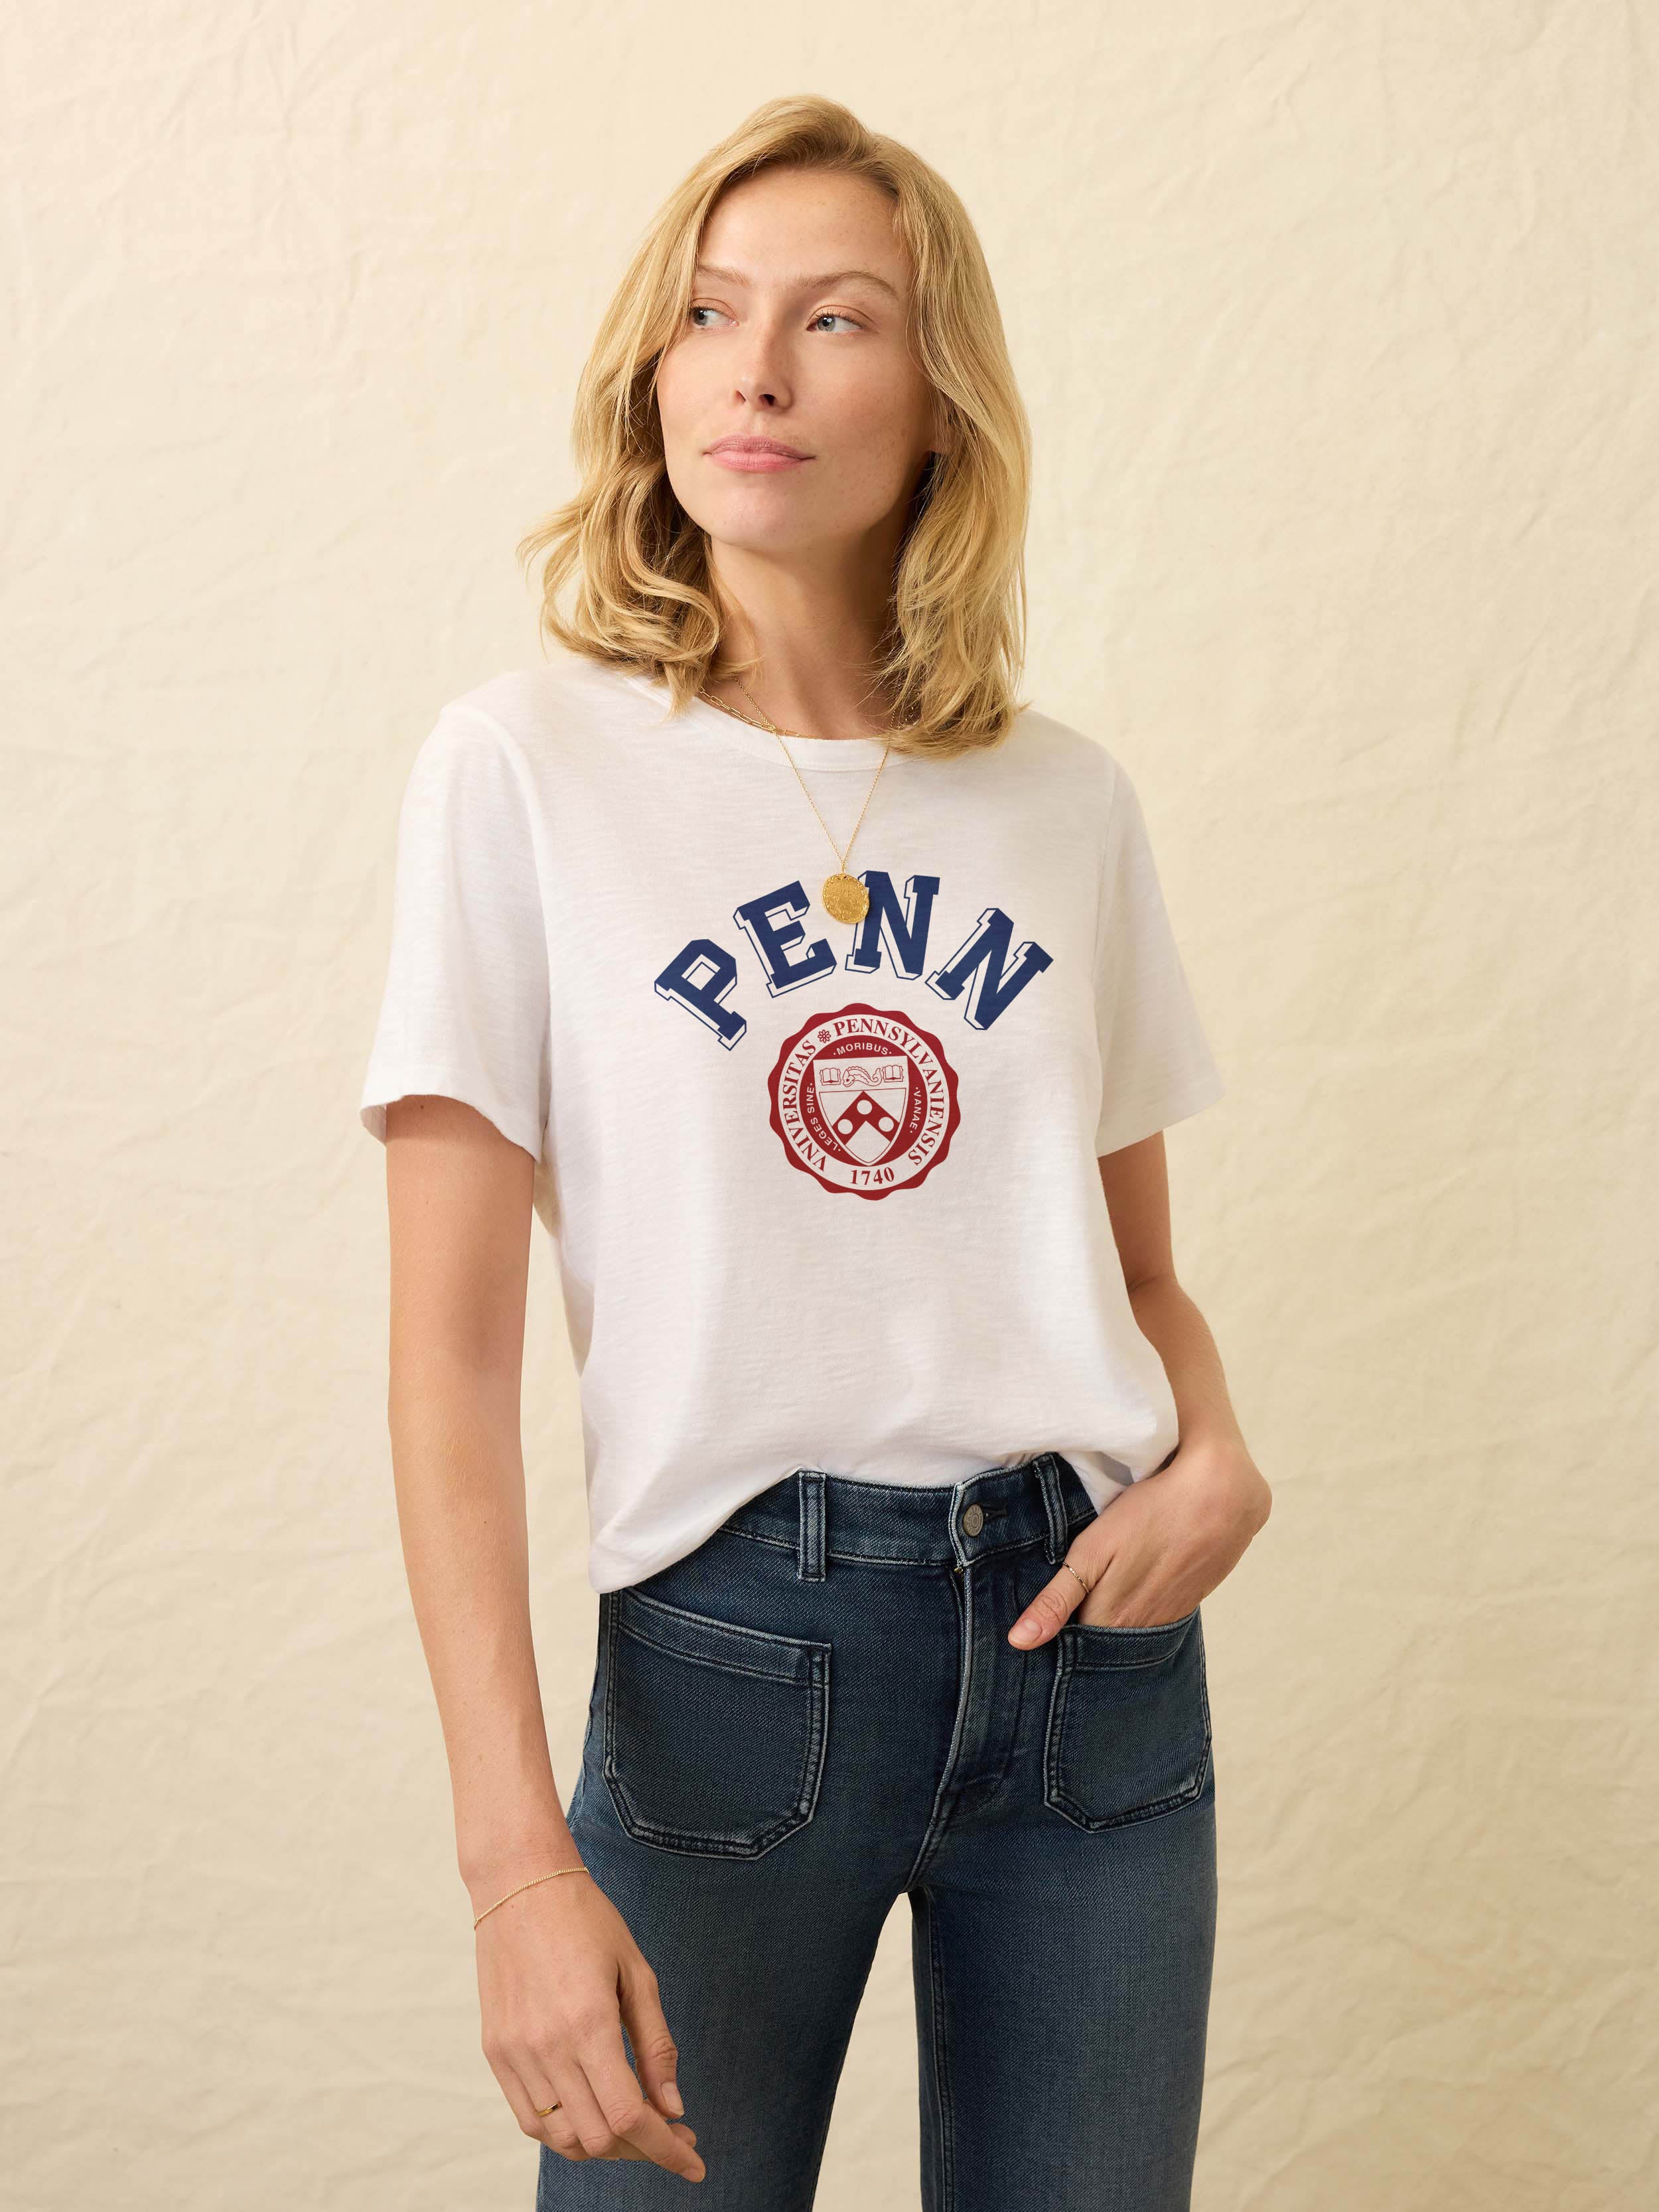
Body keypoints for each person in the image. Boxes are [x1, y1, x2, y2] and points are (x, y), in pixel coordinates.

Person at [358, 93, 1271, 2211]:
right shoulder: (524, 770)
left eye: (834, 318)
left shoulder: (1061, 803)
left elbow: (1133, 1277)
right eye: (708, 312)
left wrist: (1216, 1453)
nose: (754, 370)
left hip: (1096, 1650)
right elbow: (447, 1365)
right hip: (737, 1654)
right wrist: (512, 1869)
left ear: (938, 401)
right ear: (652, 371)